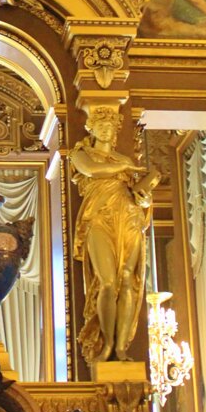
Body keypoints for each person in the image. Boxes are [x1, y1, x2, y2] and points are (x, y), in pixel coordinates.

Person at [71, 105, 160, 363]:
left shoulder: (127, 162)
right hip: (99, 218)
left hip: (128, 217)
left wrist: (144, 199)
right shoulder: (82, 154)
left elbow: (138, 195)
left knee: (127, 280)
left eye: (112, 127)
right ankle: (106, 344)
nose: (108, 130)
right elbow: (93, 171)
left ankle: (121, 347)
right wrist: (125, 167)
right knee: (107, 281)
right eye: (103, 126)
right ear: (92, 129)